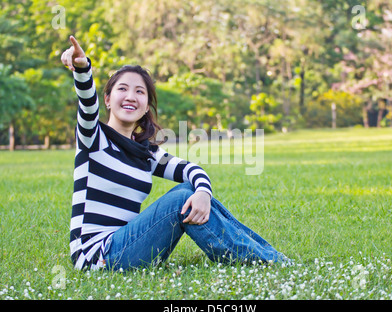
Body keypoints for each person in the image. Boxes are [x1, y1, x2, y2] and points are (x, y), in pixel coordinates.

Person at [61, 36, 292, 271]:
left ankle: (268, 256)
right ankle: (260, 261)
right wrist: (82, 67)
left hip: (126, 247)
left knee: (188, 190)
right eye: (122, 89)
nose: (131, 96)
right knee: (181, 199)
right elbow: (87, 103)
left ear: (146, 106)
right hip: (96, 257)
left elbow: (191, 169)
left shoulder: (145, 153)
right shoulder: (94, 138)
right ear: (108, 100)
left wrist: (203, 192)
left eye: (140, 92)